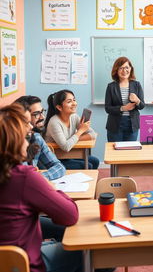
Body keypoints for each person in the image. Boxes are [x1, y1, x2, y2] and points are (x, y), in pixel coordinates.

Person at [0, 103, 83, 272]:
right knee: (96, 253)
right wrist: (47, 186)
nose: (27, 143)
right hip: (24, 264)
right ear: (15, 141)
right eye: (25, 137)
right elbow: (70, 215)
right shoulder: (24, 177)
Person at [44, 89, 99, 170]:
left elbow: (93, 134)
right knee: (88, 165)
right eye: (69, 101)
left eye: (74, 100)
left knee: (95, 161)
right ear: (59, 107)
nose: (74, 104)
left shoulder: (74, 116)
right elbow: (65, 147)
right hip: (55, 159)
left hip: (68, 154)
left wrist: (73, 139)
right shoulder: (54, 122)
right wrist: (80, 131)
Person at [15, 95, 66, 180]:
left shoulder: (36, 137)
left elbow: (59, 167)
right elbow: (23, 179)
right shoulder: (13, 144)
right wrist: (35, 178)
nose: (43, 117)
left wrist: (39, 177)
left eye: (42, 112)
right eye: (37, 114)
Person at [105, 56, 145, 142]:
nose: (124, 71)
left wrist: (137, 100)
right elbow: (107, 108)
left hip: (132, 125)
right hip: (115, 125)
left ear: (130, 69)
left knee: (130, 153)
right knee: (115, 152)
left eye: (127, 67)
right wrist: (123, 108)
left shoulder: (136, 85)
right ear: (116, 70)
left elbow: (142, 106)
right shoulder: (111, 86)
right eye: (121, 68)